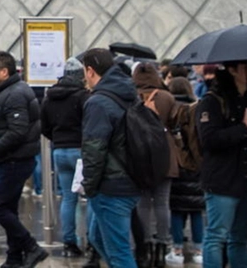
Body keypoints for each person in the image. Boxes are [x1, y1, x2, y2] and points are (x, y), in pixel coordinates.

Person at [0, 51, 46, 268]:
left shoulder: (14, 94)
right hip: (14, 159)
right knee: (8, 208)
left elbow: (17, 131)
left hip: (14, 160)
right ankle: (14, 258)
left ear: (4, 71)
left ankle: (31, 247)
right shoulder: (10, 91)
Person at [196, 62, 247, 268]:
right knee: (216, 236)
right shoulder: (212, 101)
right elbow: (209, 140)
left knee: (240, 238)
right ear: (232, 70)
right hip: (222, 179)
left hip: (245, 176)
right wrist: (244, 128)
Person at [81, 48, 139, 268]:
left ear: (90, 70)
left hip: (111, 184)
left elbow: (94, 149)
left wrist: (90, 186)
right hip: (130, 177)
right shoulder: (127, 93)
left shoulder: (99, 102)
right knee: (97, 237)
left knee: (119, 253)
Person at [41, 57, 88, 258]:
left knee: (69, 198)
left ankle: (69, 243)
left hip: (59, 150)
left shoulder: (50, 96)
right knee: (91, 197)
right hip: (80, 150)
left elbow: (44, 127)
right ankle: (92, 242)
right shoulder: (83, 96)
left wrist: (58, 139)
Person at [133, 62, 177, 268]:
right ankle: (162, 245)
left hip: (140, 154)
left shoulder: (132, 96)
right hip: (165, 154)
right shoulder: (166, 97)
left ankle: (145, 244)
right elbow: (175, 124)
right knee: (162, 202)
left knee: (142, 203)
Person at [165, 77, 203, 265]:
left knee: (177, 210)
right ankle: (198, 249)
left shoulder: (171, 109)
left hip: (176, 164)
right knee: (196, 209)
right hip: (196, 165)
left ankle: (177, 249)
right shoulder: (197, 108)